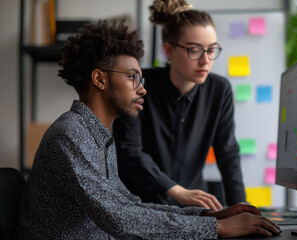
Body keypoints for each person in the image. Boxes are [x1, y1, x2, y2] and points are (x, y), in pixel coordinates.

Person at [15, 20, 280, 239]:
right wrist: (217, 228)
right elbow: (120, 219)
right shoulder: (70, 135)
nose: (142, 89)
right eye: (132, 77)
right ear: (100, 79)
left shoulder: (97, 137)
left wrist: (209, 216)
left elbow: (130, 206)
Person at [113, 0, 246, 210]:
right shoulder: (139, 86)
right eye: (195, 50)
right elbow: (128, 151)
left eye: (212, 50)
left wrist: (242, 207)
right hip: (140, 207)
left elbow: (228, 154)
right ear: (169, 50)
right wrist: (175, 189)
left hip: (192, 209)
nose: (206, 61)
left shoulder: (220, 91)